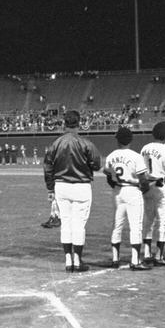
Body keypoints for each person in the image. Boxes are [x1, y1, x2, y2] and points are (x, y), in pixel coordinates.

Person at [43, 110, 103, 272]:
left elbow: (48, 167)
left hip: (61, 186)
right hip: (81, 186)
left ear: (64, 124)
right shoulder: (85, 143)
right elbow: (97, 165)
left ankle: (68, 260)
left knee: (66, 224)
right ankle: (77, 260)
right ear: (79, 123)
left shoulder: (56, 143)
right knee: (78, 225)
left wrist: (50, 188)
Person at [102, 125, 149, 269]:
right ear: (131, 140)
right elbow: (143, 179)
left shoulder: (111, 156)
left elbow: (108, 176)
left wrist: (116, 187)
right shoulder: (136, 156)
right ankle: (135, 260)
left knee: (117, 225)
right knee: (136, 226)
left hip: (118, 191)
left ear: (118, 140)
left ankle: (115, 258)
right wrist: (145, 189)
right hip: (133, 191)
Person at [139, 121, 165, 266]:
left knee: (148, 221)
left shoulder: (145, 148)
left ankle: (147, 252)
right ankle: (159, 255)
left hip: (148, 187)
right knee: (163, 222)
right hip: (161, 186)